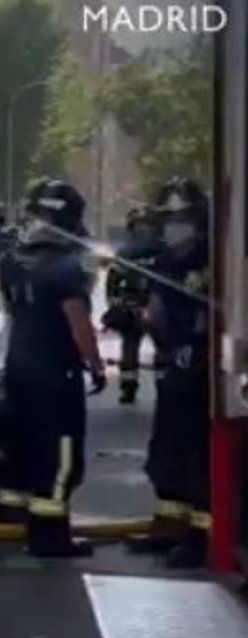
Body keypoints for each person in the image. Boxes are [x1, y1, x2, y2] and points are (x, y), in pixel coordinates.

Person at [0, 179, 107, 557]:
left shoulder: (11, 261)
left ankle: (30, 531)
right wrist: (96, 366)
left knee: (28, 446)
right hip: (56, 373)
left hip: (19, 367)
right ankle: (52, 538)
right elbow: (79, 325)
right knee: (60, 453)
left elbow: (14, 310)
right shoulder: (65, 267)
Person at [129, 178, 212, 567]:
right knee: (167, 448)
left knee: (198, 453)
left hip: (201, 367)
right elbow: (157, 311)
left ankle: (202, 536)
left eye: (181, 218)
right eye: (168, 219)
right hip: (171, 364)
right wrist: (137, 318)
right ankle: (169, 526)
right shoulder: (166, 260)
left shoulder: (213, 259)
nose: (173, 227)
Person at [103, 206, 162, 404]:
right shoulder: (127, 252)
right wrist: (115, 303)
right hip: (135, 305)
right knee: (130, 348)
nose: (143, 230)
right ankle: (129, 386)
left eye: (147, 226)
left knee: (163, 348)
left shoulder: (162, 250)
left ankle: (163, 385)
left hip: (157, 305)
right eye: (139, 226)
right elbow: (112, 281)